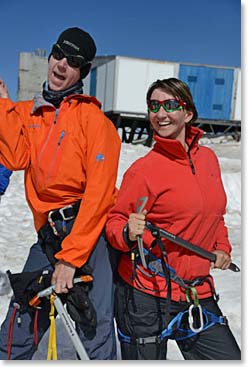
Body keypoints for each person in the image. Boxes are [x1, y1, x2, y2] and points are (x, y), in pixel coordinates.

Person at [0, 27, 121, 360]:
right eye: (58, 54)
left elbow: (99, 195)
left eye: (73, 61)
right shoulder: (29, 113)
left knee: (92, 326)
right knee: (21, 320)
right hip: (48, 234)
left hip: (88, 232)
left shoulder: (95, 122)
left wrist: (71, 258)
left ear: (82, 71)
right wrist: (1, 104)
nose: (62, 64)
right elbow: (15, 157)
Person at [106, 78, 241, 360]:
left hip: (196, 291)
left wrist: (222, 249)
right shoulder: (143, 170)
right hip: (146, 294)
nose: (161, 113)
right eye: (154, 106)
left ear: (188, 113)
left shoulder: (208, 161)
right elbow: (116, 222)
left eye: (170, 105)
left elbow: (215, 216)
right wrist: (129, 232)